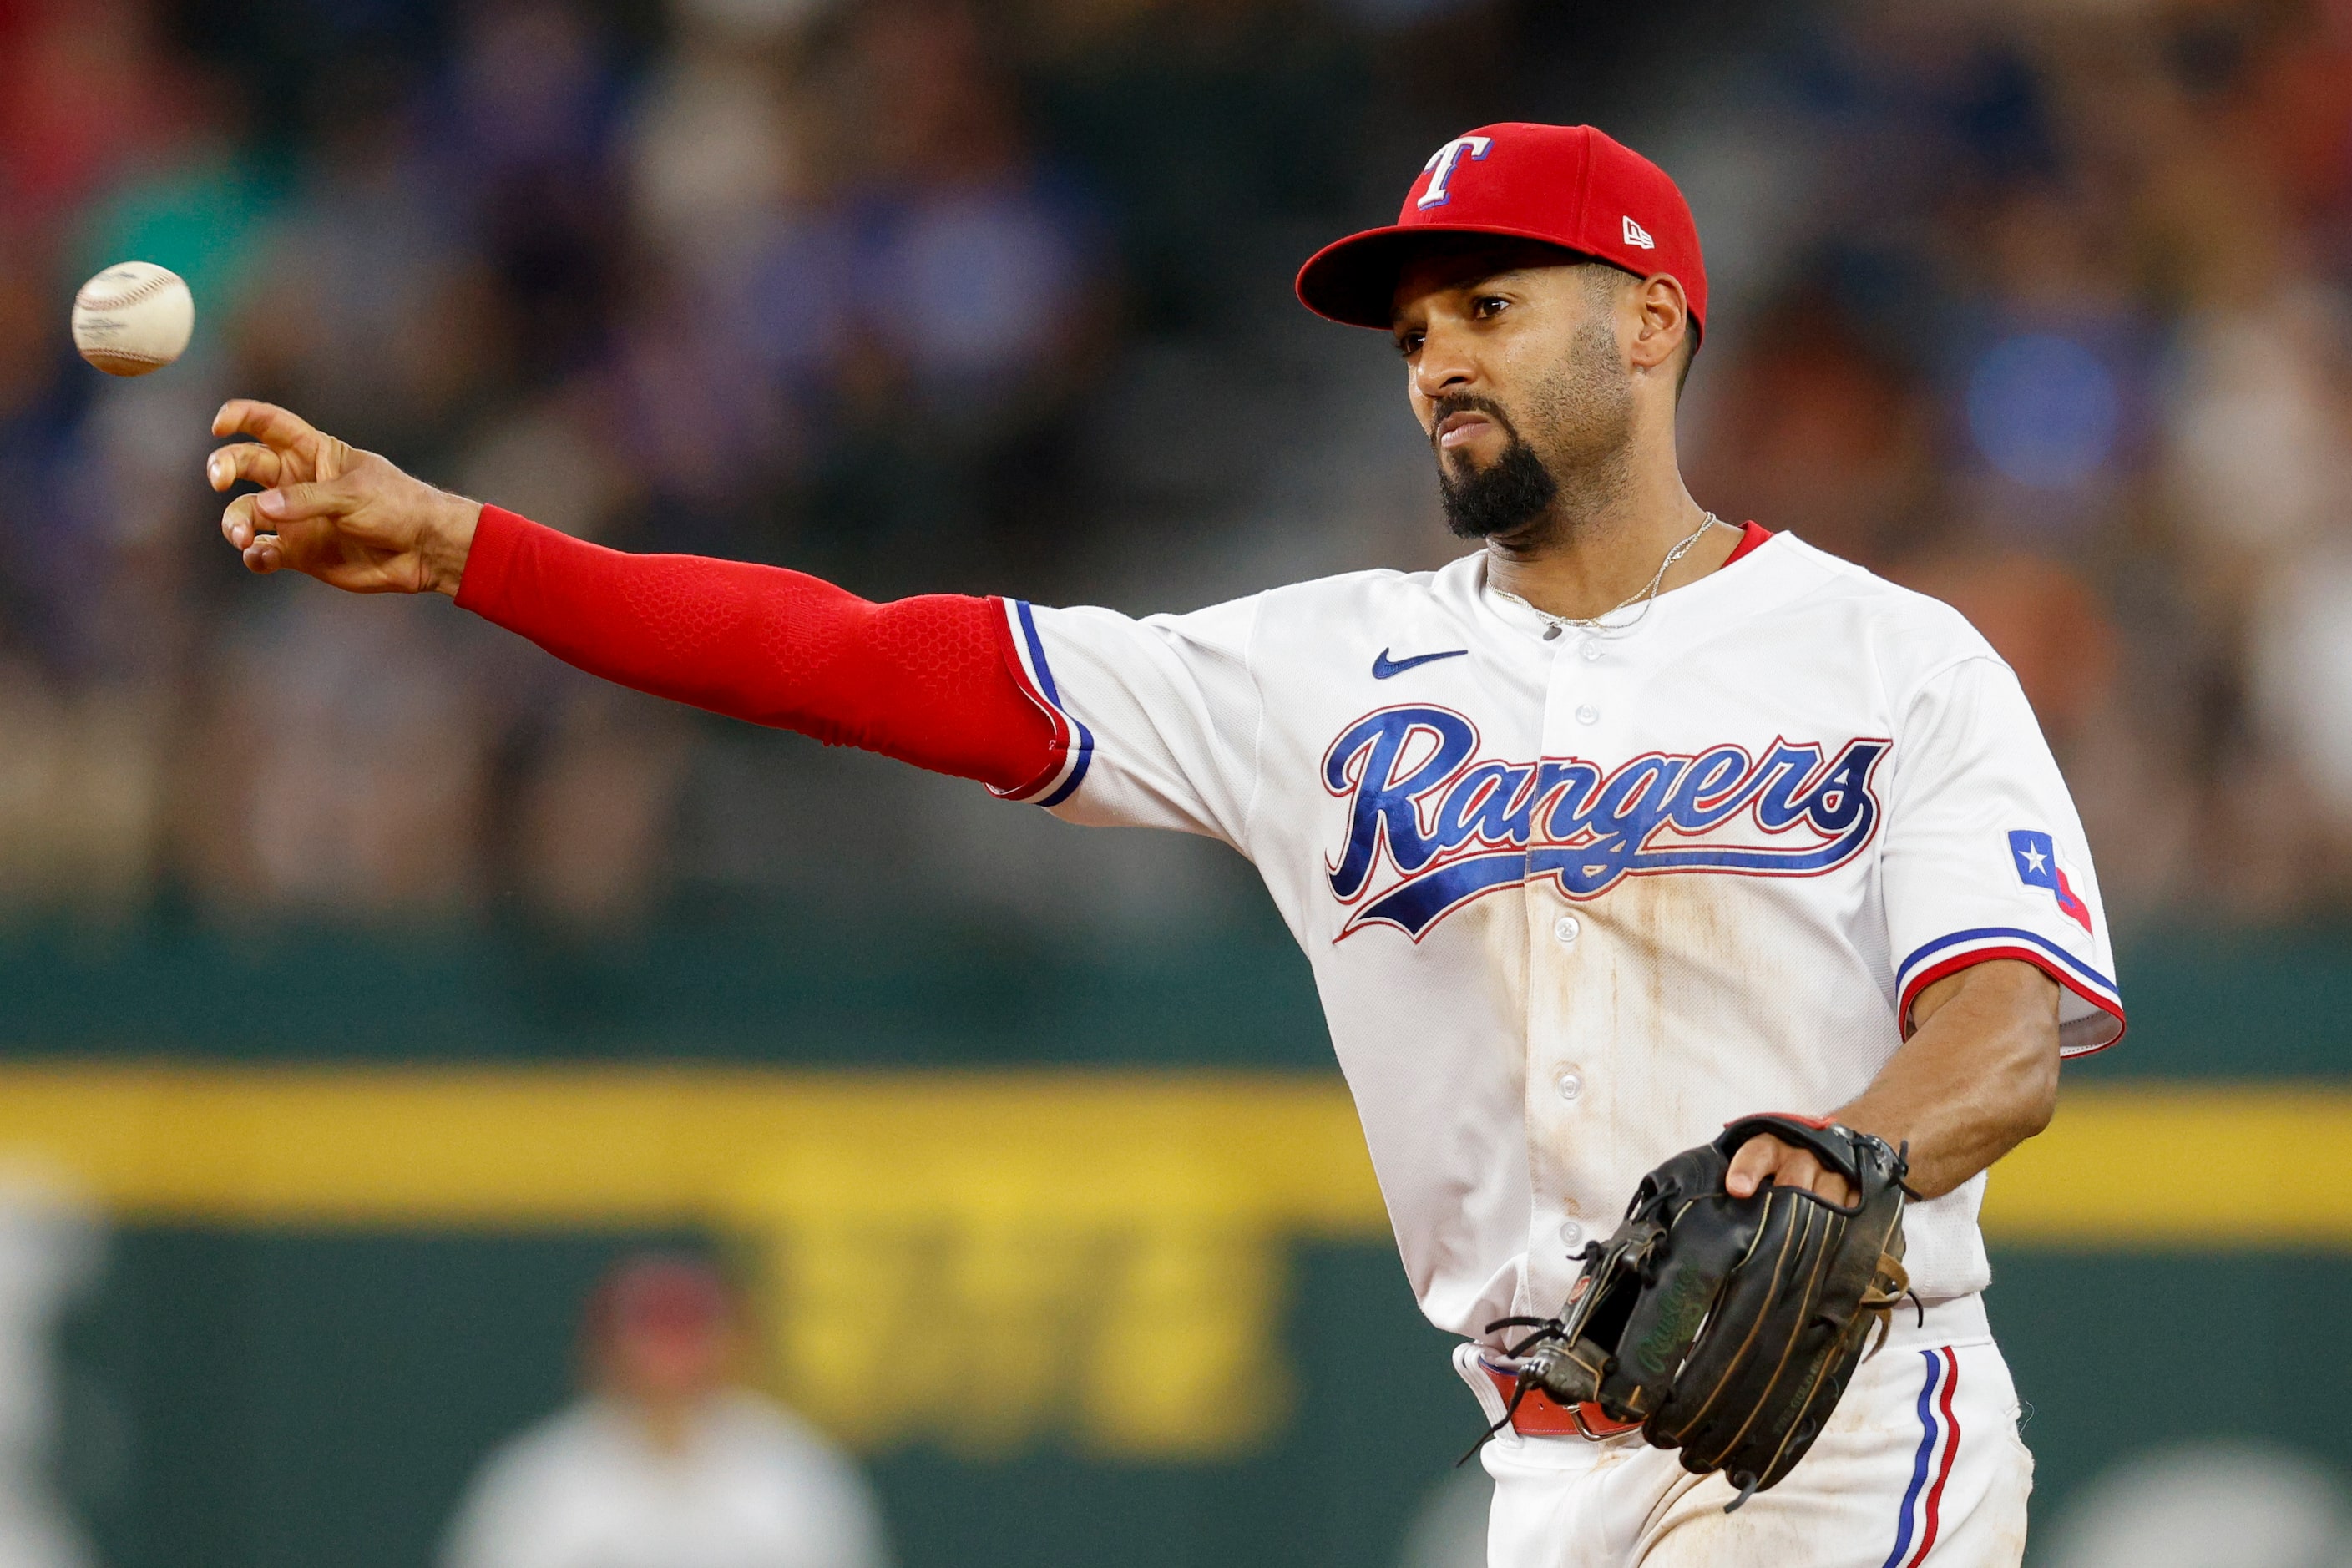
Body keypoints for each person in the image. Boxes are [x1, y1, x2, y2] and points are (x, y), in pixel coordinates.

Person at [209, 123, 2120, 1566]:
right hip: (1540, 1465)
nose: (1435, 356)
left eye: (1487, 305)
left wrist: (1848, 1147)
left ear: (1646, 323)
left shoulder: (1888, 656)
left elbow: (2002, 1038)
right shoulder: (1320, 667)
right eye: (1413, 328)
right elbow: (874, 664)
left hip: (1841, 1427)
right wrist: (479, 549)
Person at [439, 1255, 889, 1568]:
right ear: (606, 1351)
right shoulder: (542, 1482)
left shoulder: (794, 1473)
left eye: (689, 1336)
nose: (670, 1363)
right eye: (653, 1338)